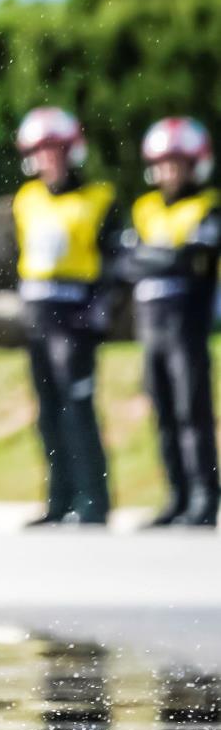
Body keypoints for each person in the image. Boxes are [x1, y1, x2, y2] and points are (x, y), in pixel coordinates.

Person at [10, 106, 119, 527]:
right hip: (38, 320)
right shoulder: (26, 200)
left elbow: (113, 267)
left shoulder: (98, 199)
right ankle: (58, 500)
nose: (48, 159)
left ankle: (94, 500)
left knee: (78, 409)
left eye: (56, 150)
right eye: (41, 151)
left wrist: (97, 314)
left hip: (77, 320)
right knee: (48, 413)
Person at [121, 116, 220, 528]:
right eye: (163, 164)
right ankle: (176, 495)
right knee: (162, 413)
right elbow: (126, 263)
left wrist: (156, 257)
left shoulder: (208, 207)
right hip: (151, 326)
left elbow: (193, 260)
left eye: (177, 164)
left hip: (187, 324)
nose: (169, 172)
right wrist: (169, 257)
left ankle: (204, 496)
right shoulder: (144, 208)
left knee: (191, 412)